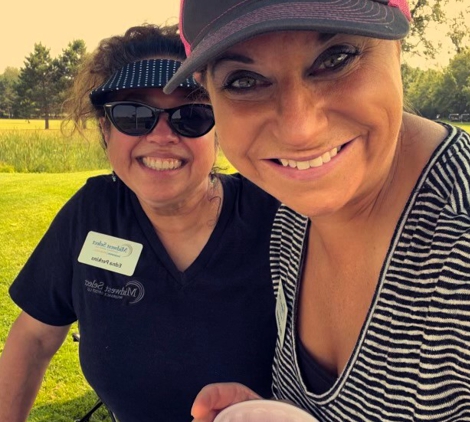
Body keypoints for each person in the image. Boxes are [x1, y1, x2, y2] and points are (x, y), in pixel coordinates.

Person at [163, 1, 470, 421]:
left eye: (336, 58)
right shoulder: (291, 216)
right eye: (243, 81)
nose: (299, 130)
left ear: (398, 46)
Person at [0, 24, 280, 422]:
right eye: (134, 115)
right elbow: (34, 336)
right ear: (105, 130)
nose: (162, 135)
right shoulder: (91, 214)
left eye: (192, 114)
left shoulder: (276, 216)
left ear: (219, 131)